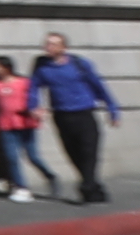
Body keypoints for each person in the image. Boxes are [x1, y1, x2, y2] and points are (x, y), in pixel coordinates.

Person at [34, 34, 122, 205]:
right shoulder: (42, 67)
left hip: (84, 113)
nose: (48, 47)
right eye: (47, 44)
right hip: (62, 115)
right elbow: (33, 87)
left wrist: (113, 109)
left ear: (63, 47)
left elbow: (99, 86)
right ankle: (94, 188)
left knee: (89, 152)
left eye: (53, 44)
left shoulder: (79, 64)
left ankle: (87, 185)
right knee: (73, 154)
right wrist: (34, 106)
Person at [0, 46, 52, 200]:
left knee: (33, 156)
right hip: (6, 125)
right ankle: (21, 187)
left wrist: (38, 111)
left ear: (6, 68)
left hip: (25, 123)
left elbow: (35, 98)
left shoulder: (24, 82)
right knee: (11, 157)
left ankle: (50, 176)